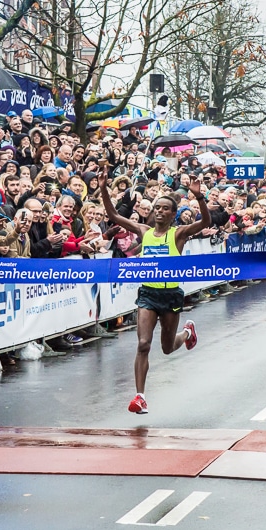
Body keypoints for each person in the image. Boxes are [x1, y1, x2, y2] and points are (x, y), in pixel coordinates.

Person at [99, 170, 211, 414]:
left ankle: (186, 333)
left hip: (170, 295)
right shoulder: (143, 231)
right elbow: (113, 215)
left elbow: (205, 224)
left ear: (172, 214)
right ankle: (140, 397)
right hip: (148, 294)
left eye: (164, 208)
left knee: (167, 348)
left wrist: (200, 198)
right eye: (156, 207)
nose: (158, 211)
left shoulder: (178, 234)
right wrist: (103, 187)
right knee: (142, 344)